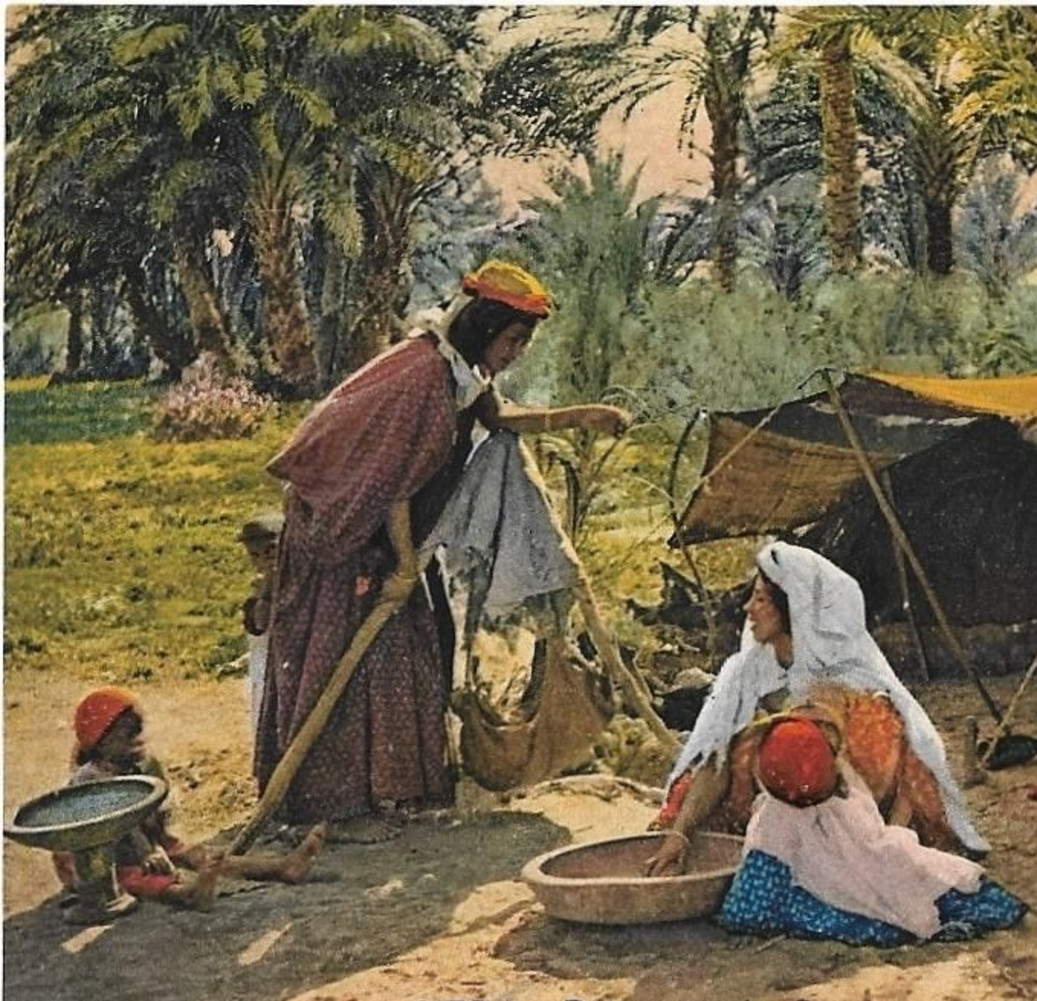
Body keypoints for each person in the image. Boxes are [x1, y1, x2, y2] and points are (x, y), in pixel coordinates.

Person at [255, 260, 629, 835]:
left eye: (524, 343)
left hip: (387, 527)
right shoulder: (423, 377)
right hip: (347, 527)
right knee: (358, 659)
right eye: (512, 340)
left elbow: (498, 416)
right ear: (483, 329)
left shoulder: (461, 371)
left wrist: (584, 416)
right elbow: (395, 480)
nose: (516, 353)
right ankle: (334, 802)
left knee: (415, 649)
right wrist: (405, 564)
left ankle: (395, 790)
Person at [647, 542, 989, 876]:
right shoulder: (746, 671)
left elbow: (900, 757)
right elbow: (715, 756)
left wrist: (887, 841)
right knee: (711, 774)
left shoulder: (844, 672)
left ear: (792, 607)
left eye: (761, 599)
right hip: (780, 795)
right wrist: (679, 834)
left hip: (855, 803)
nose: (748, 608)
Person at [709, 710, 1025, 946]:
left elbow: (748, 910)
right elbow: (876, 841)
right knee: (926, 877)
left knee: (790, 908)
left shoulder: (774, 819)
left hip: (833, 897)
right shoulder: (848, 791)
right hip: (874, 872)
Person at [54, 688, 326, 912]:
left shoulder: (141, 767)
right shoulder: (91, 780)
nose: (138, 742)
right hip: (100, 858)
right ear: (101, 744)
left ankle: (282, 867)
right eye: (127, 737)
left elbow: (154, 815)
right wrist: (148, 852)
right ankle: (187, 895)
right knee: (135, 879)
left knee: (201, 857)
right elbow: (116, 826)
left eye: (138, 732)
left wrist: (160, 841)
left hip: (142, 842)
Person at [240, 510, 283, 744]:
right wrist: (267, 587)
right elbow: (259, 623)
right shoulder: (259, 592)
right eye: (256, 555)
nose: (264, 561)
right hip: (266, 674)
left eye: (271, 552)